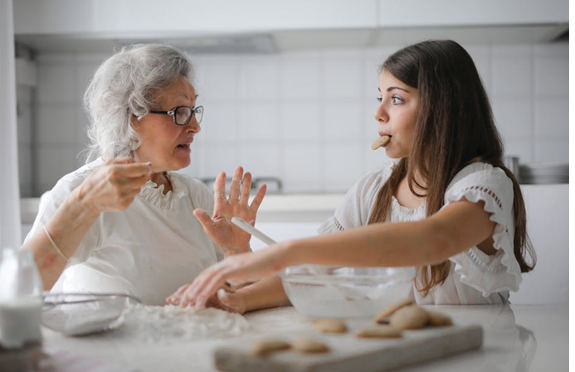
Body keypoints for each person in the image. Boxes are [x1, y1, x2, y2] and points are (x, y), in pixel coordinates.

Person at [167, 39, 536, 311]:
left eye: (396, 98)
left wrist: (286, 251)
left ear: (443, 108)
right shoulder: (374, 189)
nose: (378, 113)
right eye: (380, 97)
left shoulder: (484, 185)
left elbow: (434, 239)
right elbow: (315, 271)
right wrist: (240, 300)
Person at [21, 44, 266, 305]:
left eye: (193, 111)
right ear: (130, 117)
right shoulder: (81, 190)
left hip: (195, 344)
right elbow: (19, 288)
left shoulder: (195, 195)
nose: (195, 126)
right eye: (179, 112)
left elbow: (235, 297)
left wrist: (237, 252)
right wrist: (84, 204)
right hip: (112, 346)